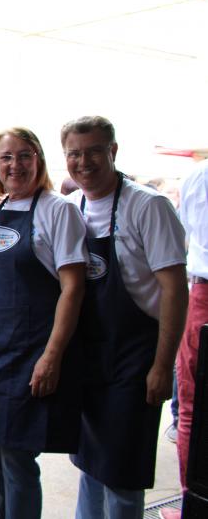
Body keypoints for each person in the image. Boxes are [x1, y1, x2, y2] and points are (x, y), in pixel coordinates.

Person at [58, 116, 188, 518]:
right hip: (90, 357)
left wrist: (163, 366)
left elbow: (174, 290)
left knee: (122, 475)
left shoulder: (147, 206)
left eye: (94, 151)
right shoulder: (72, 206)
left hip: (135, 356)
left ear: (113, 151)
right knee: (89, 465)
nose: (84, 162)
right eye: (75, 154)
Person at [0, 127, 87, 519]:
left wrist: (52, 357)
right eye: (6, 157)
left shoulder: (57, 209)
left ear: (39, 160)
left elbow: (73, 288)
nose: (14, 165)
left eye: (24, 155)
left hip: (31, 348)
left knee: (16, 455)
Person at [174, 150, 208, 516]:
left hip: (203, 292)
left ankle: (193, 502)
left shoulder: (198, 176)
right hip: (202, 293)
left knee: (193, 410)